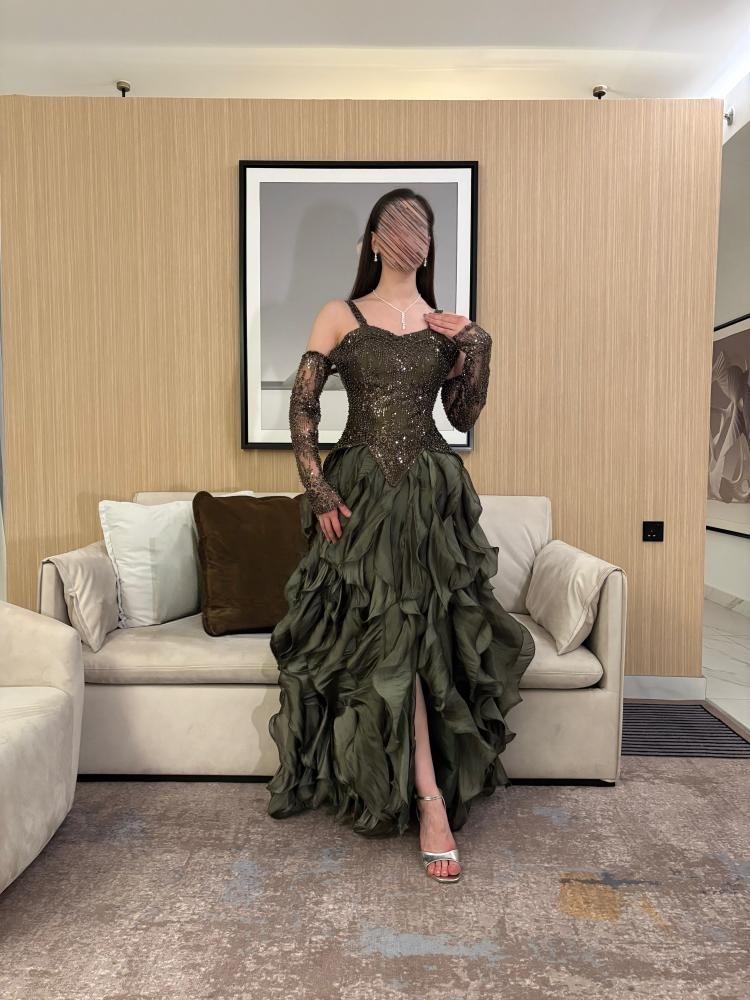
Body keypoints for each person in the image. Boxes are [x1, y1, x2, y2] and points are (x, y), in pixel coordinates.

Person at [267, 188, 535, 883]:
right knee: (387, 634)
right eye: (397, 226)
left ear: (428, 243)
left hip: (430, 498)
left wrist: (477, 345)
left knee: (422, 636)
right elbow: (302, 405)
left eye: (421, 227)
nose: (410, 237)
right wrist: (317, 487)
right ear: (374, 240)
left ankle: (428, 792)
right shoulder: (339, 313)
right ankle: (424, 795)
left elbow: (461, 413)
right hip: (358, 497)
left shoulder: (446, 326)